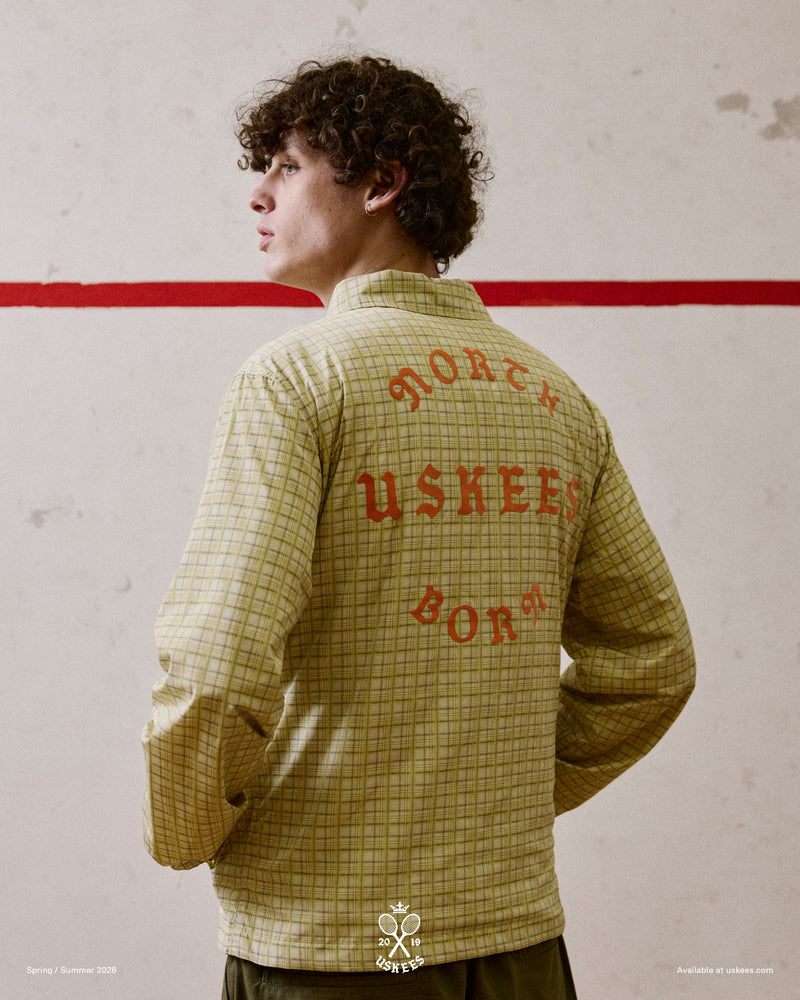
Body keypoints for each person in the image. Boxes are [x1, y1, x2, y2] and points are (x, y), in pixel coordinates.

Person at [142, 55, 695, 999]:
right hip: (517, 940)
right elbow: (653, 660)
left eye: (284, 165)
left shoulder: (293, 381)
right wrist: (500, 799)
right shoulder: (557, 399)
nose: (257, 194)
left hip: (335, 947)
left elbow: (218, 665)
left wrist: (185, 831)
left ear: (381, 182)